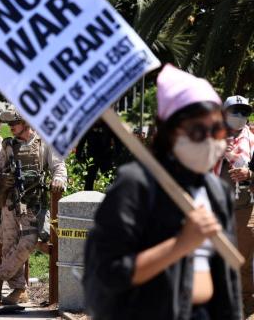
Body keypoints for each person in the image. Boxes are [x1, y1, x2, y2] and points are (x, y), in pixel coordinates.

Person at [83, 64, 241, 320]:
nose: (211, 141)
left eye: (218, 130)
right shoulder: (136, 186)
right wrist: (181, 244)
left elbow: (227, 283)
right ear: (169, 131)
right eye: (198, 131)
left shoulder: (217, 192)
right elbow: (108, 274)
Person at [0, 105, 67, 304]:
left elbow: (59, 167)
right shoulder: (7, 145)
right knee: (8, 245)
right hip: (10, 203)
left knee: (29, 242)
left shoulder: (44, 143)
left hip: (35, 205)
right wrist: (0, 179)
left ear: (26, 123)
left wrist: (58, 181)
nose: (10, 127)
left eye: (14, 123)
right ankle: (18, 290)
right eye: (9, 124)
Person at [214, 95, 254, 314]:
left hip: (244, 210)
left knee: (243, 263)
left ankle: (245, 305)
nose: (240, 117)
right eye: (235, 112)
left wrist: (249, 173)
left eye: (244, 112)